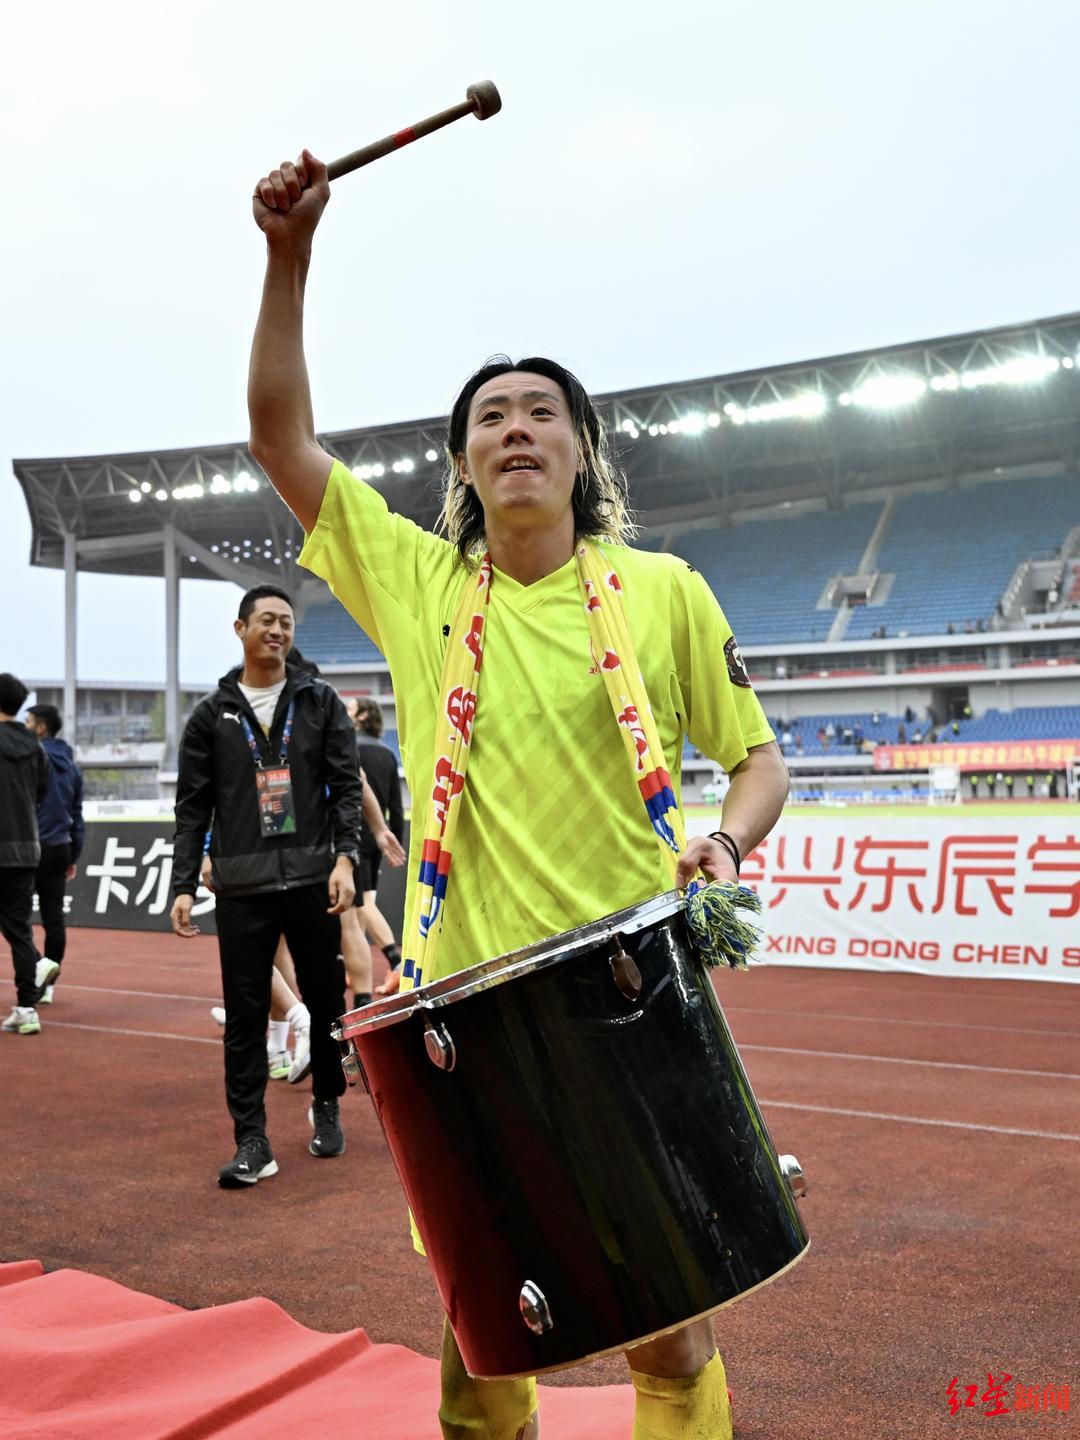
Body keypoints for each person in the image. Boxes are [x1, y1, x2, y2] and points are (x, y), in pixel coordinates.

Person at [248, 148, 789, 1440]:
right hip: (472, 1015)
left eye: (543, 410)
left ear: (583, 448)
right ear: (464, 466)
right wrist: (289, 255)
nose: (518, 428)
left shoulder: (662, 592)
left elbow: (761, 761)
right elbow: (280, 434)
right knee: (488, 1337)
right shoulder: (422, 587)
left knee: (670, 1323)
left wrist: (724, 840)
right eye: (491, 416)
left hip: (635, 998)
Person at [169, 587, 363, 1188]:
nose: (277, 630)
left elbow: (344, 788)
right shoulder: (212, 716)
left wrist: (346, 860)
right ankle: (252, 1140)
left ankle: (327, 1102)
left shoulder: (319, 701)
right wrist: (182, 883)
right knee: (246, 1016)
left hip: (311, 877)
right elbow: (192, 808)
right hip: (242, 886)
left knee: (327, 1001)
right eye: (266, 621)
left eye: (285, 621)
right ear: (240, 629)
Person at [346, 697, 407, 997]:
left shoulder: (348, 748)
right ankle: (351, 966)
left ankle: (398, 964)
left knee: (363, 905)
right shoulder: (386, 753)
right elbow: (396, 804)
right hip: (377, 837)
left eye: (350, 708)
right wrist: (394, 839)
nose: (344, 712)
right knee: (358, 908)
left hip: (354, 835)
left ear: (363, 715)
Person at [0, 673, 50, 1036]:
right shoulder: (35, 745)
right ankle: (27, 1007)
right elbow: (42, 792)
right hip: (26, 847)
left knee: (16, 929)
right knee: (19, 930)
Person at [24, 703, 85, 1005]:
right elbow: (77, 814)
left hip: (29, 847)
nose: (24, 726)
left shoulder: (31, 759)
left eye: (28, 721)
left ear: (41, 727)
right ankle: (48, 986)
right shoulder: (72, 766)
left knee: (12, 915)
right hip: (60, 848)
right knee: (54, 919)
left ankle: (37, 966)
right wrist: (73, 854)